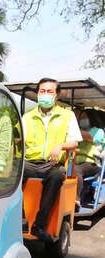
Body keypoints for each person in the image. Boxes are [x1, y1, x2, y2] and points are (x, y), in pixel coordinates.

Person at [23, 78, 82, 241]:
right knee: (11, 172)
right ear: (37, 94)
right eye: (42, 91)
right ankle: (20, 219)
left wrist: (61, 146)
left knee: (57, 175)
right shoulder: (27, 117)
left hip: (52, 164)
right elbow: (17, 139)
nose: (45, 94)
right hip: (29, 163)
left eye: (50, 91)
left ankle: (39, 226)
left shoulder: (67, 115)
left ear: (56, 95)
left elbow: (74, 141)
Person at [75, 110, 104, 207]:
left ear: (91, 118)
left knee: (75, 170)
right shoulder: (76, 129)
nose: (82, 120)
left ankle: (76, 200)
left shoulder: (98, 131)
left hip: (92, 163)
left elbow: (88, 136)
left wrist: (69, 129)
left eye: (84, 117)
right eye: (81, 118)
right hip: (75, 160)